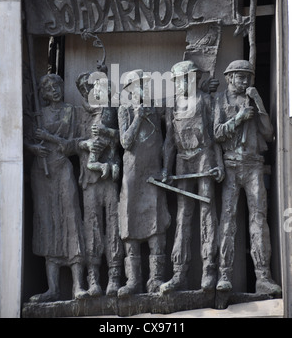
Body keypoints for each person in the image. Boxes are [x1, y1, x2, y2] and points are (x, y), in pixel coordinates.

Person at [213, 60, 281, 295]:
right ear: (229, 77)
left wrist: (258, 102)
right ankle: (224, 274)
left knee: (258, 221)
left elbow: (269, 133)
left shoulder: (253, 100)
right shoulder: (220, 100)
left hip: (253, 166)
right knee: (228, 220)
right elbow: (216, 133)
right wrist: (239, 118)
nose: (244, 81)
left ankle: (263, 276)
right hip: (231, 165)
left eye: (248, 77)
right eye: (240, 77)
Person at [159, 60, 224, 294]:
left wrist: (219, 164)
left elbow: (215, 136)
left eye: (182, 79)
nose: (178, 84)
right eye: (176, 81)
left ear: (192, 78)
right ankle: (179, 274)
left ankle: (209, 269)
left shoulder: (205, 100)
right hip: (182, 161)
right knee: (183, 215)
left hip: (204, 157)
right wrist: (166, 169)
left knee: (207, 212)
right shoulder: (172, 105)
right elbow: (169, 141)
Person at [25, 74, 86, 302]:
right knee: (47, 223)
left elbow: (74, 145)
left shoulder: (72, 111)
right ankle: (53, 289)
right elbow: (24, 139)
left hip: (61, 168)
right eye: (49, 87)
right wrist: (33, 148)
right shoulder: (38, 115)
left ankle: (78, 286)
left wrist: (49, 137)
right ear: (43, 92)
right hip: (42, 173)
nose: (54, 90)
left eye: (57, 85)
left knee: (71, 219)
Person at [118, 69, 171, 296]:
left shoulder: (158, 108)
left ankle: (156, 279)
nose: (146, 88)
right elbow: (126, 142)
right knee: (130, 226)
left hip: (153, 173)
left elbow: (170, 139)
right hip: (133, 174)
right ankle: (133, 281)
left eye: (148, 84)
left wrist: (166, 168)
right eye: (142, 84)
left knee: (157, 224)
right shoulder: (125, 110)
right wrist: (138, 117)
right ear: (130, 88)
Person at [75, 72, 124, 297]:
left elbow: (122, 138)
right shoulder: (78, 114)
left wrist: (106, 132)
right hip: (89, 179)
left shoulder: (111, 111)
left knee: (114, 225)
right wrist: (84, 143)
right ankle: (93, 278)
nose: (95, 92)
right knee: (91, 227)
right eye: (91, 89)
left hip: (109, 175)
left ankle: (114, 276)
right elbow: (70, 143)